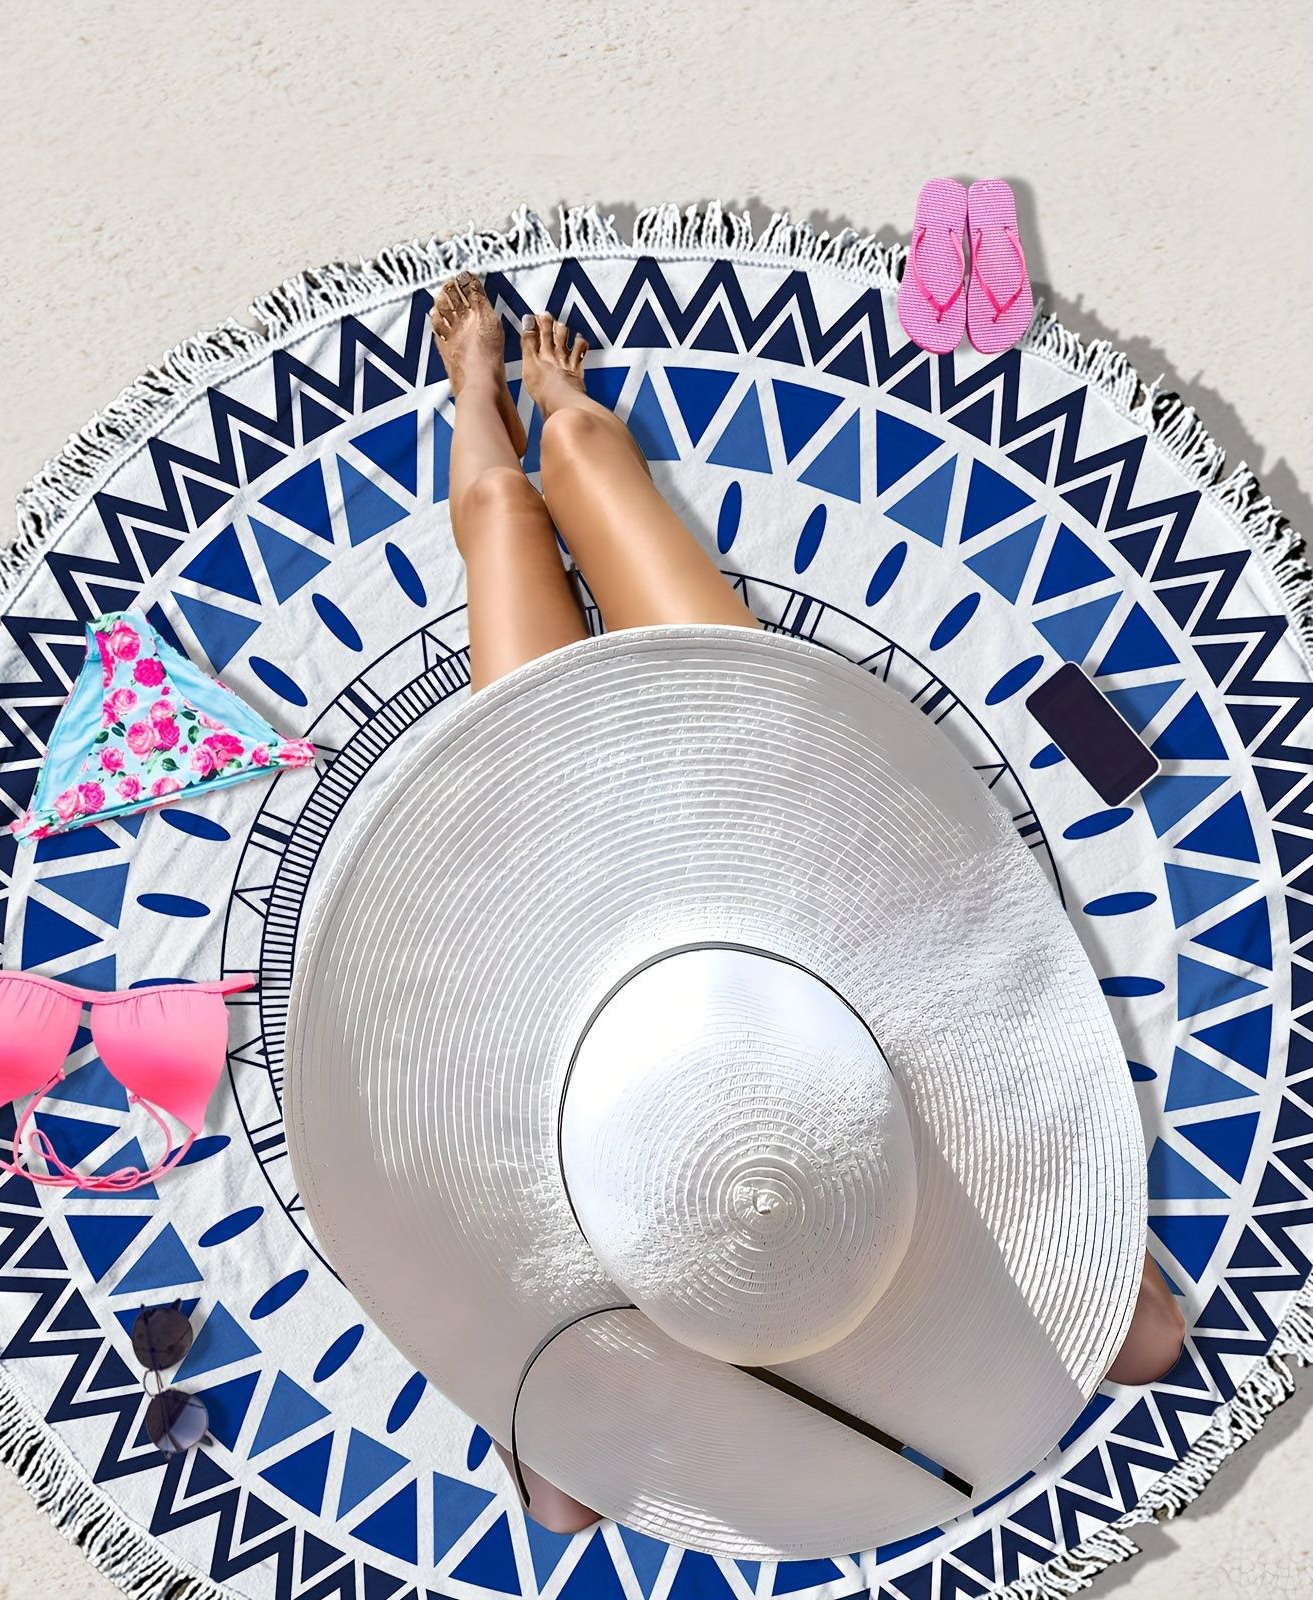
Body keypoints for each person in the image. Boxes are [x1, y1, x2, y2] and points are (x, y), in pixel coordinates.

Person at [427, 272, 1187, 1533]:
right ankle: (553, 401)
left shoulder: (760, 1254)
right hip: (772, 835)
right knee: (592, 466)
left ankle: (479, 397)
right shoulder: (884, 1192)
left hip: (572, 873)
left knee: (506, 516)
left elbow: (563, 1508)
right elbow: (1148, 1339)